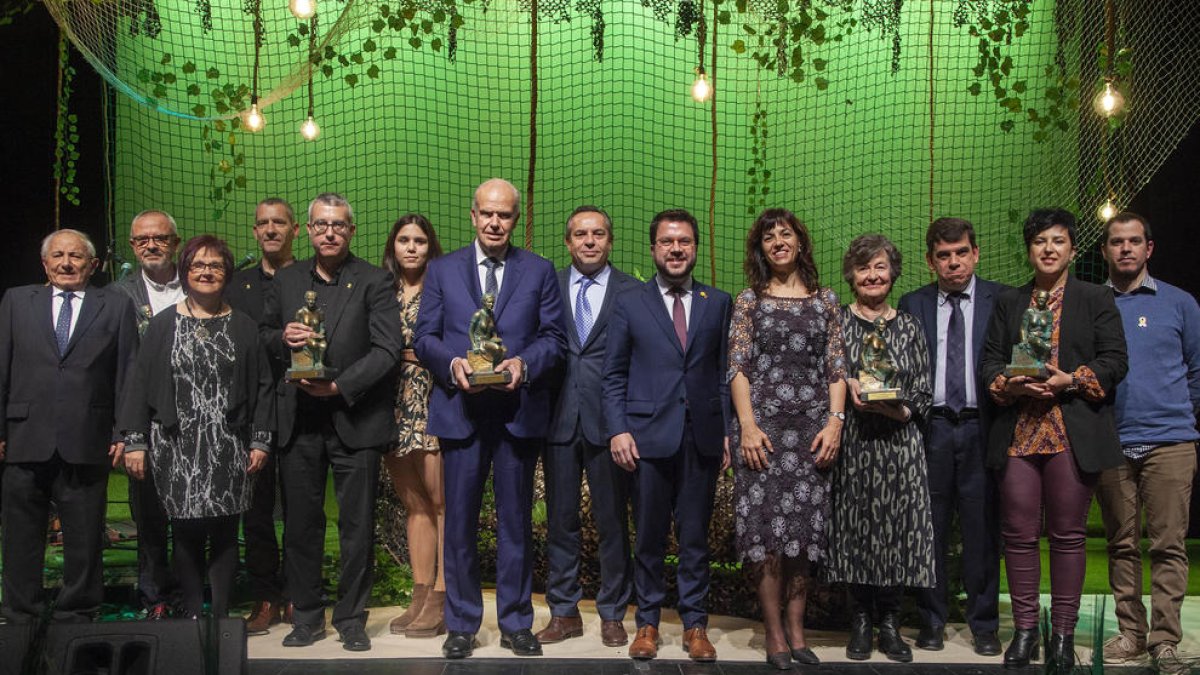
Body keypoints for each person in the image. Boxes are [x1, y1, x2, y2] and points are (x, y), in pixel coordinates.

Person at [413, 179, 566, 659]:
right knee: (458, 524)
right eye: (487, 214)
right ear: (473, 216)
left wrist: (524, 364)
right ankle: (461, 625)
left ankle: (517, 623)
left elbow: (554, 339)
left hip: (517, 414)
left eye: (505, 215)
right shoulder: (441, 270)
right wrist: (453, 362)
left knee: (515, 523)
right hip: (461, 415)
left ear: (516, 220)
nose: (496, 222)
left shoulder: (539, 271)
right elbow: (424, 337)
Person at [981, 208, 1127, 673]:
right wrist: (1011, 383)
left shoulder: (1095, 298)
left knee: (1068, 537)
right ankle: (1025, 632)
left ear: (1073, 249)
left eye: (1058, 241)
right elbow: (988, 363)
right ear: (1029, 250)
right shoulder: (1009, 301)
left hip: (1071, 431)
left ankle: (1062, 634)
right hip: (1019, 432)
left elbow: (1115, 360)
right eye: (1040, 241)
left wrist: (1071, 380)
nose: (1048, 249)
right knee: (1019, 537)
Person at [262, 192, 404, 652]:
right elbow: (261, 337)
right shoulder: (285, 281)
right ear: (307, 230)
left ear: (351, 231)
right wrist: (282, 337)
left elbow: (388, 349)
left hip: (354, 420)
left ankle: (351, 618)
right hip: (298, 421)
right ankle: (305, 616)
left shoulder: (375, 280)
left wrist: (340, 386)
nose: (329, 232)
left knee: (357, 526)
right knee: (301, 525)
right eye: (321, 224)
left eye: (339, 225)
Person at [120, 235, 274, 620]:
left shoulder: (243, 326)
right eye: (198, 266)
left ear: (227, 274)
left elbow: (264, 387)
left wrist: (260, 440)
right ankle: (192, 616)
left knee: (224, 533)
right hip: (174, 444)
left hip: (229, 442)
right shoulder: (162, 325)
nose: (207, 272)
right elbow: (140, 384)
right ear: (186, 272)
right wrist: (136, 441)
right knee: (185, 533)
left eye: (216, 265)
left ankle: (219, 618)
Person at [602, 208, 732, 663]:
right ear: (654, 248)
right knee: (649, 539)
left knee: (695, 538)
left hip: (702, 438)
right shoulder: (630, 302)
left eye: (684, 242)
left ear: (695, 248)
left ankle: (696, 626)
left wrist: (727, 431)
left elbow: (722, 375)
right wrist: (617, 428)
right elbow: (613, 373)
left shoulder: (718, 302)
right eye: (667, 242)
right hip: (646, 439)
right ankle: (648, 625)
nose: (676, 249)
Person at [728, 209, 846, 670]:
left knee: (804, 536)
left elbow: (836, 368)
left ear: (801, 241)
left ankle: (798, 631)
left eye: (786, 233)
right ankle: (774, 633)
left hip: (814, 434)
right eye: (769, 237)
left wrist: (835, 422)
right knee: (767, 537)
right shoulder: (749, 301)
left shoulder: (826, 300)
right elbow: (737, 368)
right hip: (766, 435)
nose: (778, 242)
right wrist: (748, 427)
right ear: (760, 249)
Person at [0, 229, 138, 622]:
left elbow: (128, 372)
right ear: (45, 263)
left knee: (85, 535)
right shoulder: (16, 301)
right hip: (25, 435)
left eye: (76, 256)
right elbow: (2, 367)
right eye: (58, 256)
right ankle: (21, 612)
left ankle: (77, 612)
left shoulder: (114, 305)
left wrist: (124, 432)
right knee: (20, 535)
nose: (66, 263)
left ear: (92, 264)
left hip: (87, 437)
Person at [1095, 212, 1198, 675]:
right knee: (1120, 544)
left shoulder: (1181, 304)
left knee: (1168, 545)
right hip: (1112, 440)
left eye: (1134, 241)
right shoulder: (1093, 304)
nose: (1126, 249)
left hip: (1170, 442)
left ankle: (1164, 640)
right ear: (1105, 251)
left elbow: (1197, 371)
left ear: (1148, 248)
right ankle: (1131, 635)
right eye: (1117, 242)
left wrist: (1177, 418)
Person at [897, 217, 1004, 656]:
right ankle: (932, 621)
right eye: (944, 255)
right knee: (930, 530)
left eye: (961, 252)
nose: (954, 262)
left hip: (983, 426)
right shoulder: (913, 303)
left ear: (976, 253)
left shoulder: (1003, 300)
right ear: (930, 261)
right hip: (931, 428)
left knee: (983, 532)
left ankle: (984, 625)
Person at [825, 233, 934, 664]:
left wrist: (895, 411)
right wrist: (846, 387)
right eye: (864, 268)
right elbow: (828, 377)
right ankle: (860, 620)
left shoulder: (909, 324)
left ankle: (890, 623)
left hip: (899, 445)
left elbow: (923, 391)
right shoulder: (837, 321)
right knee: (857, 529)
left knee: (896, 531)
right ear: (851, 275)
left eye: (880, 267)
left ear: (893, 273)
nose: (873, 276)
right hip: (853, 443)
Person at [536, 206, 640, 648]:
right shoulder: (548, 287)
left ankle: (613, 613)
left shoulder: (633, 292)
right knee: (560, 522)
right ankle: (563, 612)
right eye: (581, 234)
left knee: (612, 521)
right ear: (568, 242)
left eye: (598, 234)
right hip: (557, 420)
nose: (590, 242)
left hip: (610, 426)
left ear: (610, 241)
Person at [226, 197, 299, 634]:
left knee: (299, 511)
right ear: (254, 232)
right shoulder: (236, 287)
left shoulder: (308, 279)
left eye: (279, 223)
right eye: (262, 223)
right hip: (250, 414)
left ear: (295, 229)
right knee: (254, 514)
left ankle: (297, 595)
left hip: (299, 407)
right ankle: (265, 598)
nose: (270, 230)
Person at [113, 209, 185, 619]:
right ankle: (155, 598)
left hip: (196, 419)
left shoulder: (200, 283)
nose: (151, 246)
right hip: (144, 421)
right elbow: (118, 371)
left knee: (195, 516)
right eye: (142, 240)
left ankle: (191, 596)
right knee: (150, 517)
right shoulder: (118, 294)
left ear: (176, 242)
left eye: (159, 238)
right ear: (132, 245)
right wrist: (126, 433)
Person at [379, 213, 448, 639]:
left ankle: (443, 594)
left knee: (441, 503)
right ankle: (420, 592)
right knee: (414, 504)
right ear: (393, 246)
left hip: (433, 399)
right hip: (391, 404)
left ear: (430, 246)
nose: (411, 247)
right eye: (403, 239)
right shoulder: (380, 290)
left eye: (419, 240)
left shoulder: (444, 288)